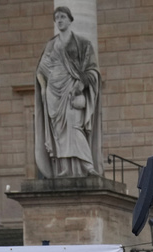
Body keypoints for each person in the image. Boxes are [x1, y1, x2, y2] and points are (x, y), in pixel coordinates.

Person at [35, 6, 103, 178]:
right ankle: (64, 168)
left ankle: (87, 165)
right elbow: (41, 70)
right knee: (59, 133)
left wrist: (82, 83)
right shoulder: (51, 45)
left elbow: (93, 70)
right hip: (53, 93)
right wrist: (43, 88)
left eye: (63, 16)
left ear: (70, 19)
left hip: (72, 90)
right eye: (56, 17)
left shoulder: (82, 44)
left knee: (75, 126)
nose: (59, 20)